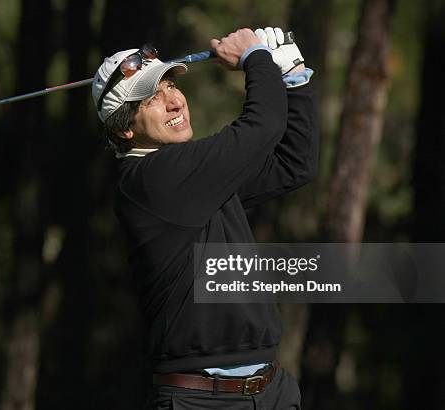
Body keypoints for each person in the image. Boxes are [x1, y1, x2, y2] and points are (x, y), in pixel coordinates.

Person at [91, 26, 317, 409]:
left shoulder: (194, 177)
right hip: (201, 400)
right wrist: (255, 57)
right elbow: (263, 126)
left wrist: (292, 74)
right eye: (152, 98)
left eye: (170, 86)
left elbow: (294, 164)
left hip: (271, 391)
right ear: (126, 128)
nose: (175, 101)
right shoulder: (151, 180)